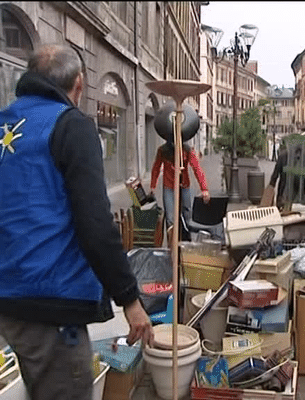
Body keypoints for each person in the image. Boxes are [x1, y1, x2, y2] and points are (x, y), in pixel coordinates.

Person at [0, 44, 154, 399]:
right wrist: (130, 300)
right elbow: (95, 223)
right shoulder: (70, 126)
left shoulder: (7, 123)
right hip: (49, 304)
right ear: (79, 84)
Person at [149, 141, 210, 228]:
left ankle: (187, 237)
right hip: (169, 186)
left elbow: (197, 169)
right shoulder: (163, 150)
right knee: (170, 218)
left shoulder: (187, 150)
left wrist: (204, 189)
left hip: (183, 185)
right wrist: (153, 186)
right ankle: (172, 238)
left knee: (187, 214)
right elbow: (156, 167)